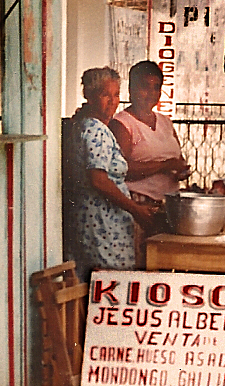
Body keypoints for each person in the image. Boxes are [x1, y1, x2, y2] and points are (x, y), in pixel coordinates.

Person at [67, 67, 158, 283]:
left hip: (100, 223)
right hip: (101, 224)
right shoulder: (94, 130)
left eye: (116, 95)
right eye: (104, 94)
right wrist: (135, 210)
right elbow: (98, 179)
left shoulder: (89, 125)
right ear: (89, 96)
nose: (112, 101)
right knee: (112, 286)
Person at [109, 60, 190, 264]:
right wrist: (164, 166)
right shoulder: (122, 123)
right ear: (132, 88)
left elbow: (177, 159)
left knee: (164, 267)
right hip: (138, 210)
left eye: (156, 87)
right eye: (145, 87)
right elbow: (121, 170)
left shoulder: (165, 121)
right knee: (140, 266)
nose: (151, 93)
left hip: (166, 209)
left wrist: (179, 170)